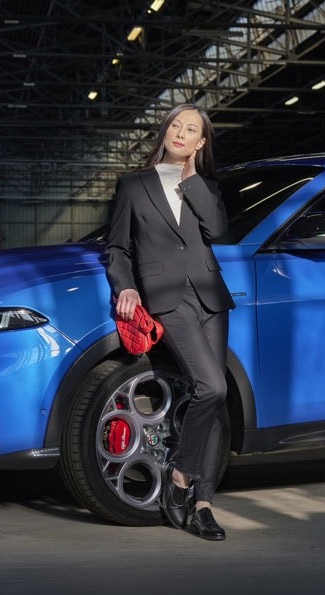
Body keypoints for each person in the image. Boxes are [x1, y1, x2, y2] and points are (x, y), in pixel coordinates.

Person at [105, 104, 235, 540]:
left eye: (191, 130)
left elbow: (218, 230)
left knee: (215, 404)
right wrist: (124, 286)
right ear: (165, 132)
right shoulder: (133, 185)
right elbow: (118, 248)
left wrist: (193, 179)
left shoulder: (205, 186)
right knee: (211, 386)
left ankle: (202, 505)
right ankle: (180, 475)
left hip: (211, 298)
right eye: (176, 125)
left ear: (200, 143)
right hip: (166, 299)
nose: (180, 133)